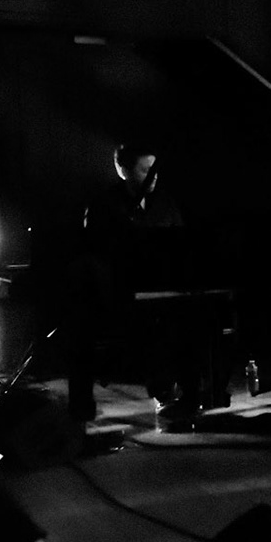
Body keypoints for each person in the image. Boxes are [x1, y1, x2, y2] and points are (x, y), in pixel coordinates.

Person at [63, 143, 199, 428]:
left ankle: (178, 395)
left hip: (157, 291)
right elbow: (94, 252)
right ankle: (81, 405)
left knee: (185, 319)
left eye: (154, 170)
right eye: (144, 170)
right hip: (112, 296)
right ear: (122, 170)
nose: (153, 176)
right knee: (81, 326)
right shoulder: (103, 204)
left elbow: (180, 246)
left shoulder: (165, 202)